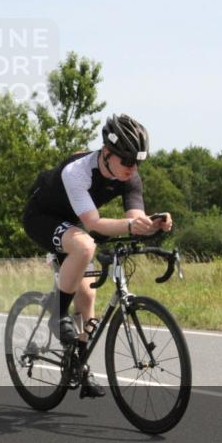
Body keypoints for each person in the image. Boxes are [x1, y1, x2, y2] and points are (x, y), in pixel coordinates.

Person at [22, 115, 173, 398]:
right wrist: (131, 225)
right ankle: (57, 313)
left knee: (88, 294)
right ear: (106, 153)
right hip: (41, 217)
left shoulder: (129, 175)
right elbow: (94, 224)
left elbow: (134, 219)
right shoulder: (77, 172)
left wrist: (153, 224)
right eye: (126, 160)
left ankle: (78, 367)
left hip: (73, 222)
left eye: (137, 162)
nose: (132, 167)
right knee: (85, 246)